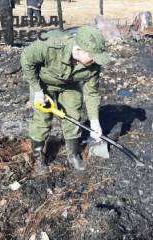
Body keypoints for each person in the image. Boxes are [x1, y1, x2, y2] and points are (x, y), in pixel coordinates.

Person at [21, 26, 111, 171]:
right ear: (78, 50)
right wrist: (37, 90)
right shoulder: (49, 45)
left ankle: (73, 154)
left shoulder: (94, 65)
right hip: (43, 83)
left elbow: (92, 92)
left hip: (70, 85)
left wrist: (94, 121)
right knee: (42, 119)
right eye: (93, 56)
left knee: (73, 116)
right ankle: (38, 156)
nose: (95, 61)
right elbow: (26, 59)